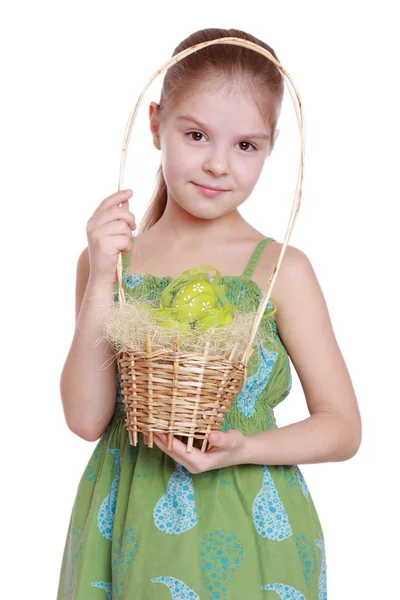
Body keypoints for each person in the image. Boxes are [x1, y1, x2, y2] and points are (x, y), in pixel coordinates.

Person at [57, 27, 361, 600]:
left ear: (270, 148)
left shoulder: (280, 270)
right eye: (196, 134)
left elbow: (343, 427)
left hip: (250, 521)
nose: (219, 164)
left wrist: (246, 448)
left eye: (246, 145)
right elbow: (85, 418)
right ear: (155, 125)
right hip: (128, 526)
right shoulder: (111, 263)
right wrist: (100, 273)